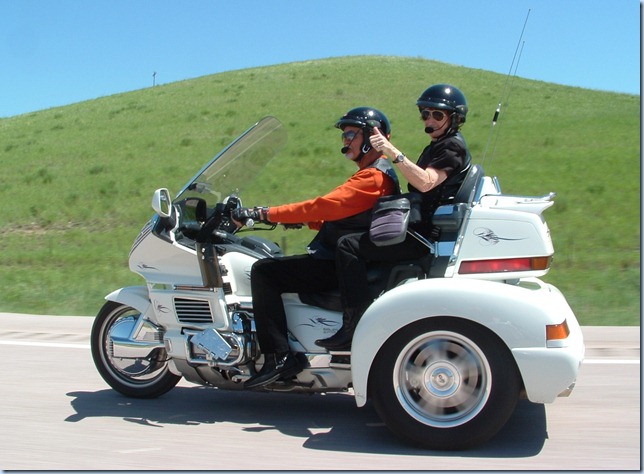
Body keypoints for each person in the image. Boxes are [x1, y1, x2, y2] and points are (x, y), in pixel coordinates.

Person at [232, 107, 399, 389]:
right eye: (344, 135)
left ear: (372, 136)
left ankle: (279, 358)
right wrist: (298, 221)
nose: (345, 141)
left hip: (338, 263)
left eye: (351, 134)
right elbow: (341, 216)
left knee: (264, 272)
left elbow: (322, 206)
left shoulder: (372, 178)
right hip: (344, 259)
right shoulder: (375, 175)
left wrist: (262, 213)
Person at [315, 84, 472, 351]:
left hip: (424, 236)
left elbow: (426, 182)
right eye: (425, 114)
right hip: (420, 227)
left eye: (437, 115)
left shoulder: (451, 147)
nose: (429, 120)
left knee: (349, 245)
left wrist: (391, 151)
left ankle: (355, 324)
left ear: (454, 118)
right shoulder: (439, 146)